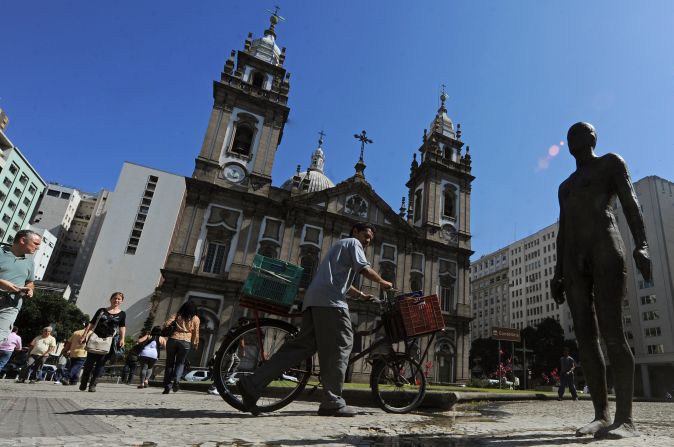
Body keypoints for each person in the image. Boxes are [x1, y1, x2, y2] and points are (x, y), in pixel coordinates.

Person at [551, 122, 651, 438]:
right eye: (569, 135)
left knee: (612, 332)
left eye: (579, 133)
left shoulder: (611, 163)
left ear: (592, 138)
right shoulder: (565, 187)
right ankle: (600, 414)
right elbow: (563, 230)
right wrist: (557, 271)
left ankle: (626, 419)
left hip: (606, 247)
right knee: (585, 337)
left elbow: (631, 202)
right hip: (573, 259)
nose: (572, 138)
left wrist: (642, 244)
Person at [238, 222, 393, 417]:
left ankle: (252, 384)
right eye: (366, 235)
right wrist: (383, 283)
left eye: (371, 238)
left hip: (314, 300)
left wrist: (361, 295)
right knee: (342, 344)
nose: (368, 240)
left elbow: (338, 279)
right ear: (355, 231)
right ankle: (332, 401)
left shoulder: (339, 247)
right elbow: (364, 269)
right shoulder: (353, 243)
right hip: (331, 302)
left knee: (300, 348)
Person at [79, 292, 126, 392]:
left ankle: (93, 384)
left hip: (108, 341)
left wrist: (122, 339)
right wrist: (84, 335)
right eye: (115, 298)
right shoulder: (102, 310)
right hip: (95, 338)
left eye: (119, 299)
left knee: (101, 364)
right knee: (89, 364)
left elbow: (122, 327)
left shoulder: (122, 314)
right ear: (111, 299)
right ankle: (84, 381)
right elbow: (91, 323)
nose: (116, 300)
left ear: (121, 301)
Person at [0, 230, 40, 344]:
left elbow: (30, 282)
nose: (38, 247)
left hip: (11, 305)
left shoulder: (30, 262)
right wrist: (2, 283)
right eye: (36, 243)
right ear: (22, 240)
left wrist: (30, 289)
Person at [161, 301, 200, 394]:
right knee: (180, 363)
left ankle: (167, 386)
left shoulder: (177, 315)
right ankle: (177, 381)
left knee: (169, 363)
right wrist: (195, 344)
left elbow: (166, 324)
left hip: (173, 340)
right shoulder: (195, 318)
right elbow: (196, 333)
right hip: (186, 342)